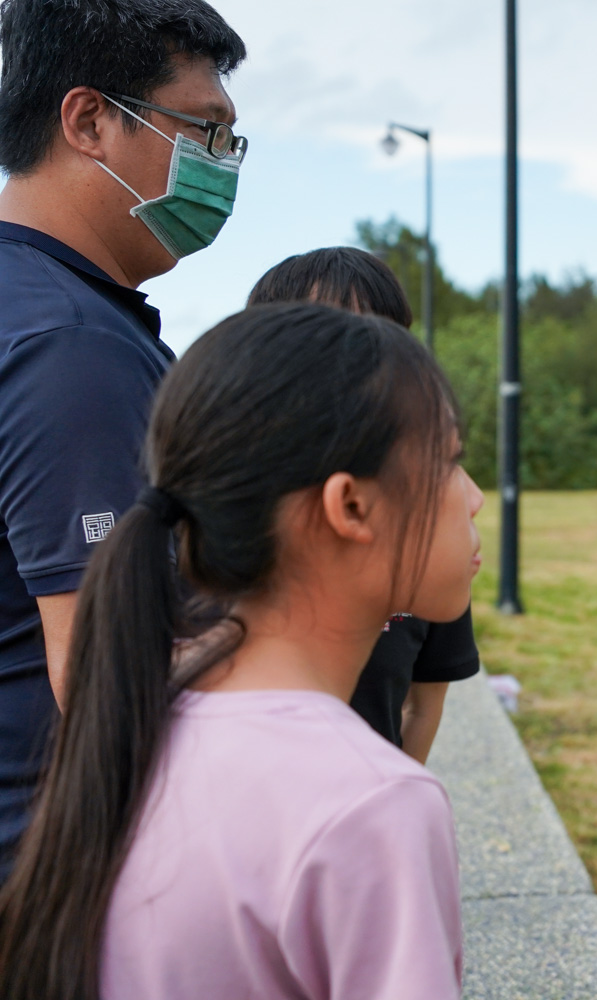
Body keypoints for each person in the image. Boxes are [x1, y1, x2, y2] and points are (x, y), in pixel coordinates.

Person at [0, 303, 478, 999]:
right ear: (350, 507)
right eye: (452, 461)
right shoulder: (372, 804)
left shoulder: (137, 721)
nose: (476, 499)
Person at [0, 0, 247, 877]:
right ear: (90, 120)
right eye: (204, 131)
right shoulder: (71, 344)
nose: (221, 165)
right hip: (51, 880)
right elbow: (106, 673)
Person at [247, 246, 483, 762]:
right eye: (331, 334)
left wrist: (395, 801)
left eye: (385, 335)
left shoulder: (426, 531)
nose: (365, 354)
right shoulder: (229, 519)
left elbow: (422, 707)